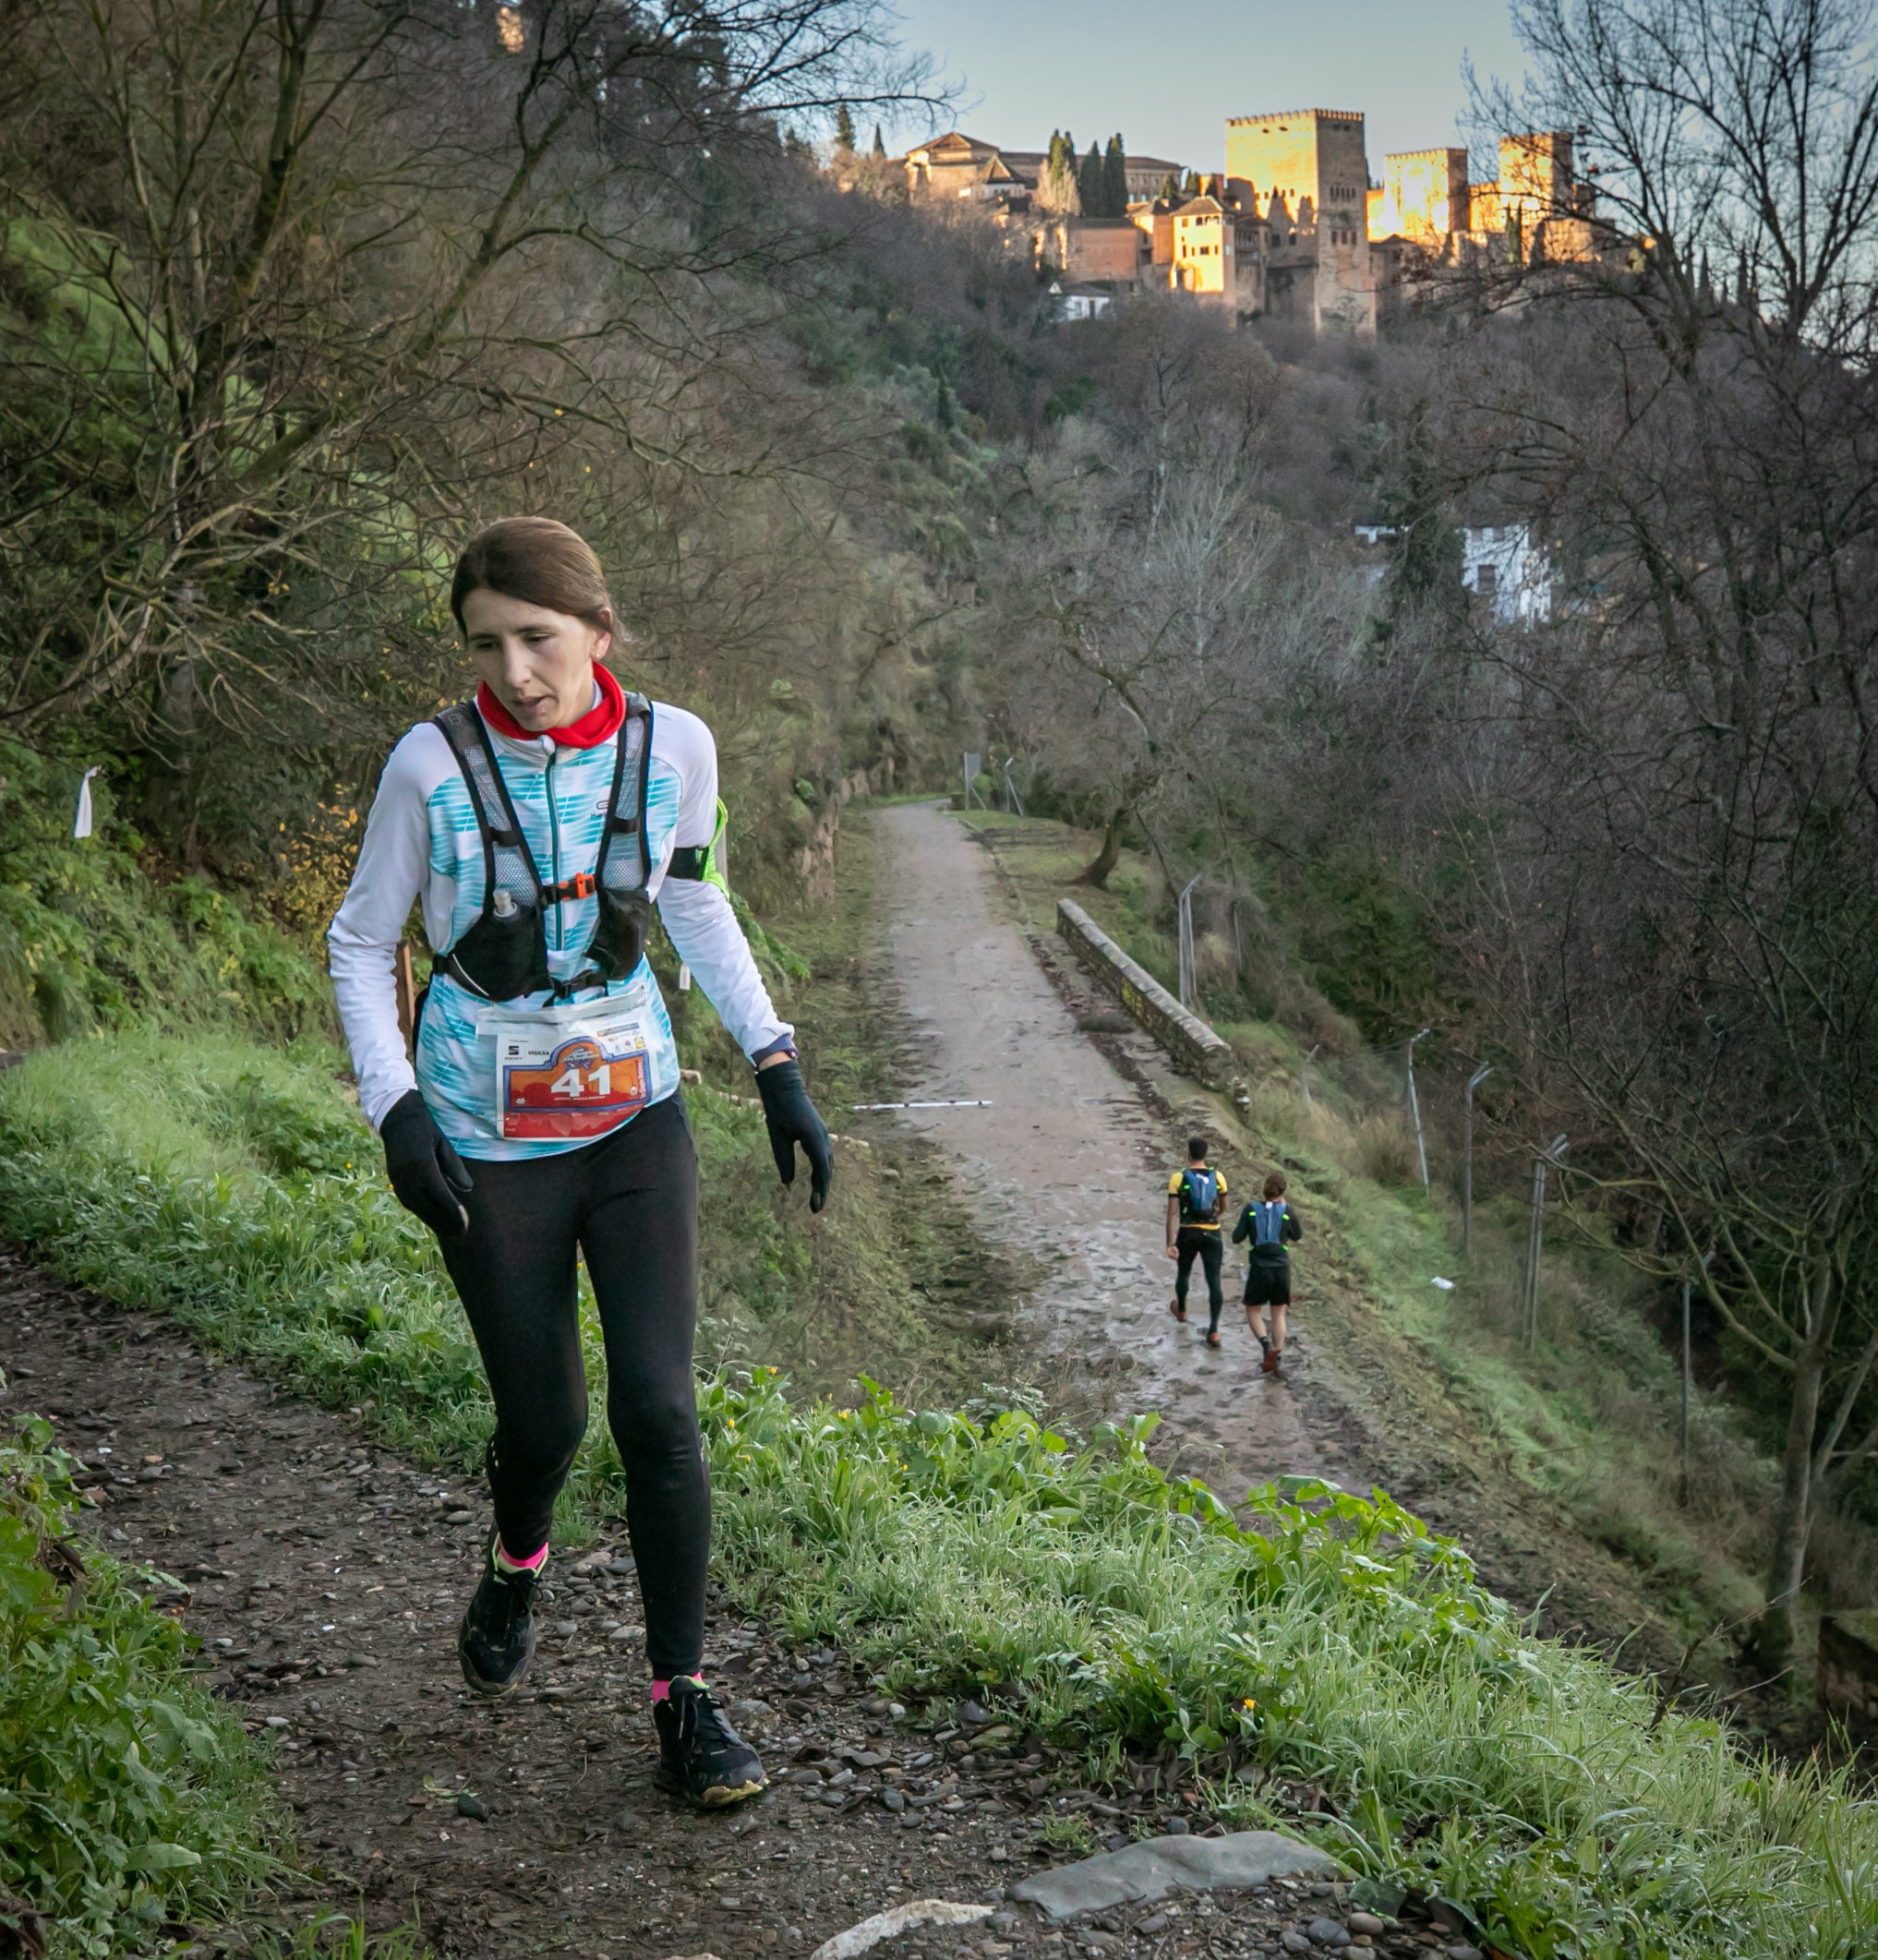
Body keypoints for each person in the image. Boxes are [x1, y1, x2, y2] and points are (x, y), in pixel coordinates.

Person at [327, 516, 834, 1810]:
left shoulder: (677, 749)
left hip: (633, 1121)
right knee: (544, 1418)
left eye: (538, 637)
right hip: (485, 1142)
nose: (514, 670)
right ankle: (516, 1559)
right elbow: (360, 941)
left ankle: (683, 1698)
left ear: (599, 631)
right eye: (486, 644)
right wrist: (394, 1107)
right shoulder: (428, 768)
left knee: (659, 1409)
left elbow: (692, 896)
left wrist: (773, 1058)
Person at [1233, 1171, 1303, 1375]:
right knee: (1278, 1312)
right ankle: (1277, 1354)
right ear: (1282, 1191)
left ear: (1264, 1189)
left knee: (1252, 1309)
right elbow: (1297, 1235)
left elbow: (1237, 1237)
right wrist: (1285, 1210)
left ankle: (1265, 1345)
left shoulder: (1251, 1209)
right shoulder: (1287, 1210)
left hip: (1259, 1268)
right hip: (1281, 1268)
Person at [1165, 1136, 1229, 1349]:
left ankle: (1182, 1310)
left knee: (1183, 1273)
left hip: (1188, 1232)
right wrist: (1216, 1216)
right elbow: (1224, 1205)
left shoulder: (1178, 1178)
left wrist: (1170, 1243)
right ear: (1206, 1154)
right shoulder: (1218, 1176)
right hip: (1212, 1234)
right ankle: (1214, 1330)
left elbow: (1172, 1213)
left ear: (1188, 1154)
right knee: (1214, 1281)